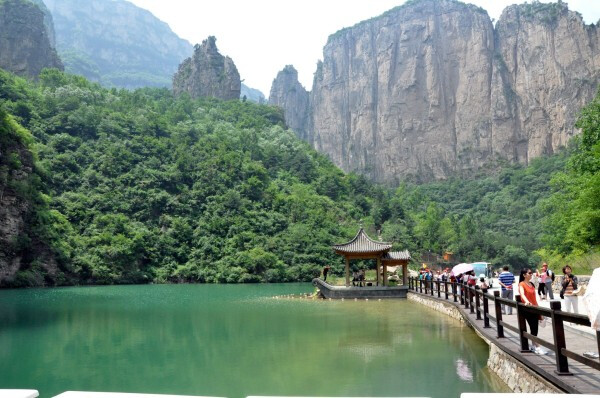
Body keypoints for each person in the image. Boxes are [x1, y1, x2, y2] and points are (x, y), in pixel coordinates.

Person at [519, 268, 544, 354]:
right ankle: (538, 347)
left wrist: (539, 309)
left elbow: (534, 298)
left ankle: (533, 346)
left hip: (535, 308)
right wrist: (526, 301)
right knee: (533, 327)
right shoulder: (521, 284)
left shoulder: (531, 284)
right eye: (529, 273)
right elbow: (522, 294)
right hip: (528, 309)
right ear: (524, 275)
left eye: (531, 273)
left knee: (535, 328)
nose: (531, 274)